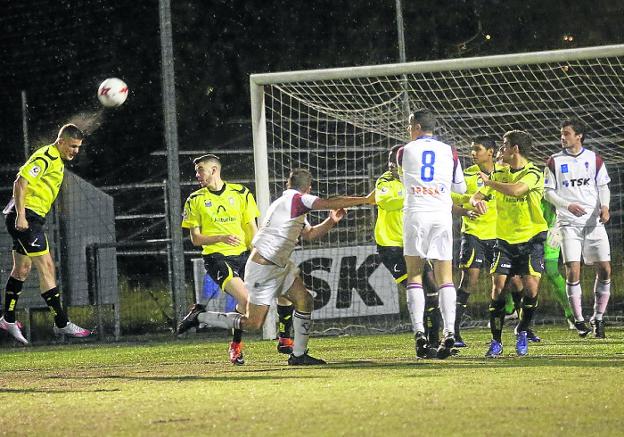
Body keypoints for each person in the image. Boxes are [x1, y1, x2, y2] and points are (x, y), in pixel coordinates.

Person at [177, 168, 374, 365]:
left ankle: (298, 355)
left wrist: (331, 221)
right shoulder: (296, 199)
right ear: (308, 188)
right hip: (263, 268)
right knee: (254, 323)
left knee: (304, 300)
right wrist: (366, 199)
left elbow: (310, 234)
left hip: (277, 265)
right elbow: (328, 203)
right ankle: (200, 316)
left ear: (288, 184)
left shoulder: (288, 204)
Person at [181, 154, 295, 365]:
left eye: (200, 170)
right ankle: (209, 324)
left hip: (245, 256)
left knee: (284, 287)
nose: (197, 175)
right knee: (246, 301)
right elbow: (196, 239)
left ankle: (285, 338)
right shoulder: (195, 200)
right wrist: (220, 237)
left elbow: (252, 229)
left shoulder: (241, 193)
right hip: (216, 258)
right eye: (196, 171)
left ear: (214, 170)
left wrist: (262, 254)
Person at [0, 124, 92, 344]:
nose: (75, 151)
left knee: (22, 269)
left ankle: (8, 319)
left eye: (78, 147)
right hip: (26, 217)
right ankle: (61, 322)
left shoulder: (57, 160)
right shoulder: (47, 156)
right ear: (60, 142)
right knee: (47, 266)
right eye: (72, 146)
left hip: (31, 217)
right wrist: (21, 215)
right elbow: (20, 182)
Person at [470, 130, 548, 357]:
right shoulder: (498, 170)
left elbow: (516, 191)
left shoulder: (533, 172)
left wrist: (490, 184)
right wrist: (476, 201)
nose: (500, 150)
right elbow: (478, 194)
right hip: (503, 239)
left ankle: (522, 330)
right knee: (497, 287)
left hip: (532, 238)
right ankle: (495, 341)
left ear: (515, 149)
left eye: (504, 146)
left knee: (532, 288)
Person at [398, 110, 466, 360]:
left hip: (415, 214)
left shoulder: (403, 151)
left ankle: (419, 333)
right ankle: (449, 331)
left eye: (409, 126)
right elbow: (460, 187)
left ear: (416, 126)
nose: (408, 130)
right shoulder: (450, 151)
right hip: (440, 215)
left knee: (414, 275)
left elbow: (403, 179)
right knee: (445, 277)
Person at [543, 118, 612, 339]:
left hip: (594, 223)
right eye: (562, 133)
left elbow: (603, 186)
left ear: (579, 136)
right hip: (568, 224)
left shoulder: (594, 159)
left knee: (605, 269)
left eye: (566, 133)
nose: (563, 137)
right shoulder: (554, 161)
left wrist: (605, 207)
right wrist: (567, 205)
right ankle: (579, 320)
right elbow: (548, 192)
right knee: (573, 270)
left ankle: (598, 318)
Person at [375, 145, 441, 358]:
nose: (392, 165)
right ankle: (420, 336)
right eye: (390, 161)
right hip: (391, 246)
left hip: (414, 244)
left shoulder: (416, 180)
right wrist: (414, 194)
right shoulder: (384, 181)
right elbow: (386, 201)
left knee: (433, 290)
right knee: (417, 289)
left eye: (396, 161)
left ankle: (432, 341)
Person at [451, 137, 499, 348]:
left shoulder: (504, 173)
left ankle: (521, 328)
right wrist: (465, 209)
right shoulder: (467, 174)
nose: (473, 153)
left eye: (477, 149)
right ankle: (454, 330)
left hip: (501, 235)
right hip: (474, 234)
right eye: (471, 150)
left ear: (490, 151)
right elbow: (452, 200)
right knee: (469, 280)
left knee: (508, 282)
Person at [540, 199, 575, 328]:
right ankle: (513, 311)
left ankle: (571, 314)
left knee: (551, 271)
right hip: (528, 227)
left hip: (552, 227)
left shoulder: (550, 179)